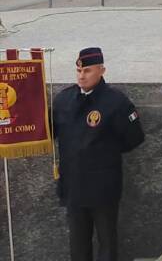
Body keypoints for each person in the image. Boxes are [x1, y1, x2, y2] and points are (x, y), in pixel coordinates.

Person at [53, 47, 145, 261]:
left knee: (106, 242)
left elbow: (134, 137)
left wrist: (105, 152)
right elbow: (52, 131)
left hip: (103, 184)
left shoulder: (116, 102)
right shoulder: (64, 100)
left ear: (102, 70)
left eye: (87, 71)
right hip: (74, 184)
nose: (81, 76)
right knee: (78, 243)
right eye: (78, 71)